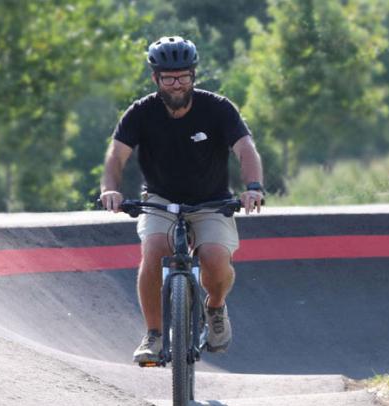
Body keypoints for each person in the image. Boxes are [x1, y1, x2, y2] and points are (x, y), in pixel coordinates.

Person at [99, 36, 266, 365]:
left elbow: (246, 149)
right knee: (153, 250)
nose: (177, 84)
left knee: (216, 258)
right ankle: (154, 335)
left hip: (212, 201)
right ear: (155, 78)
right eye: (169, 77)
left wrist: (254, 186)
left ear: (194, 75)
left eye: (184, 76)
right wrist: (110, 189)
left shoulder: (217, 108)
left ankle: (215, 308)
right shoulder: (141, 112)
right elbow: (115, 157)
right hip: (160, 199)